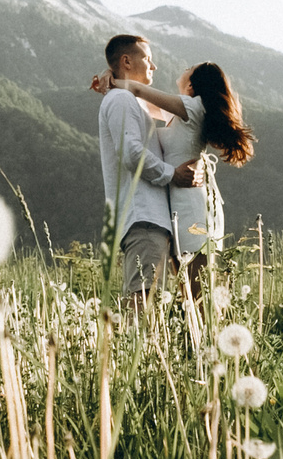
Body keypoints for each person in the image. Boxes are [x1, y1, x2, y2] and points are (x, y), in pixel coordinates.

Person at [91, 56, 255, 286]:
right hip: (177, 205)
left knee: (198, 292)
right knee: (187, 292)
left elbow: (138, 90)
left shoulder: (192, 107)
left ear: (191, 86)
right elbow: (138, 104)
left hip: (191, 205)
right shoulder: (180, 114)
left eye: (189, 69)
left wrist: (113, 80)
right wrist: (110, 78)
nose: (184, 69)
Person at [95, 33, 199, 298]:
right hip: (143, 217)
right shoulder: (122, 100)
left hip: (151, 219)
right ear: (127, 61)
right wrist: (171, 174)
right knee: (144, 303)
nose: (153, 67)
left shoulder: (132, 100)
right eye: (148, 59)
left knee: (151, 304)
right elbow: (130, 152)